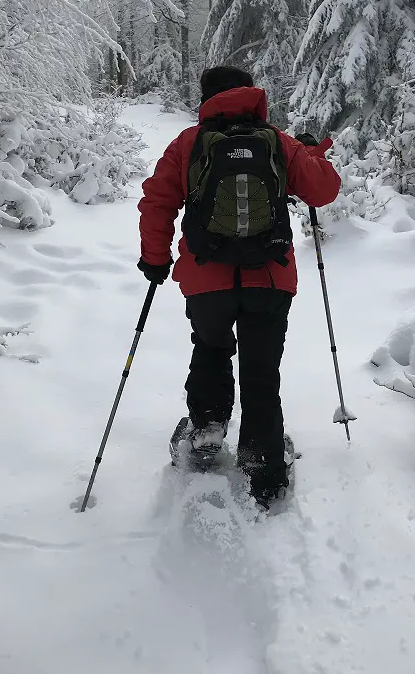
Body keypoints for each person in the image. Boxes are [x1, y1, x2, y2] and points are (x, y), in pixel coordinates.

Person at [137, 66, 341, 509]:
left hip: (205, 276)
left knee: (210, 347)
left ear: (206, 98)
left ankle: (207, 430)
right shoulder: (278, 140)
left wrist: (154, 259)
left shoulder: (187, 145)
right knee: (261, 369)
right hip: (269, 276)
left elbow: (157, 202)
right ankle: (263, 462)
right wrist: (314, 153)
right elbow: (323, 191)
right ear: (250, 94)